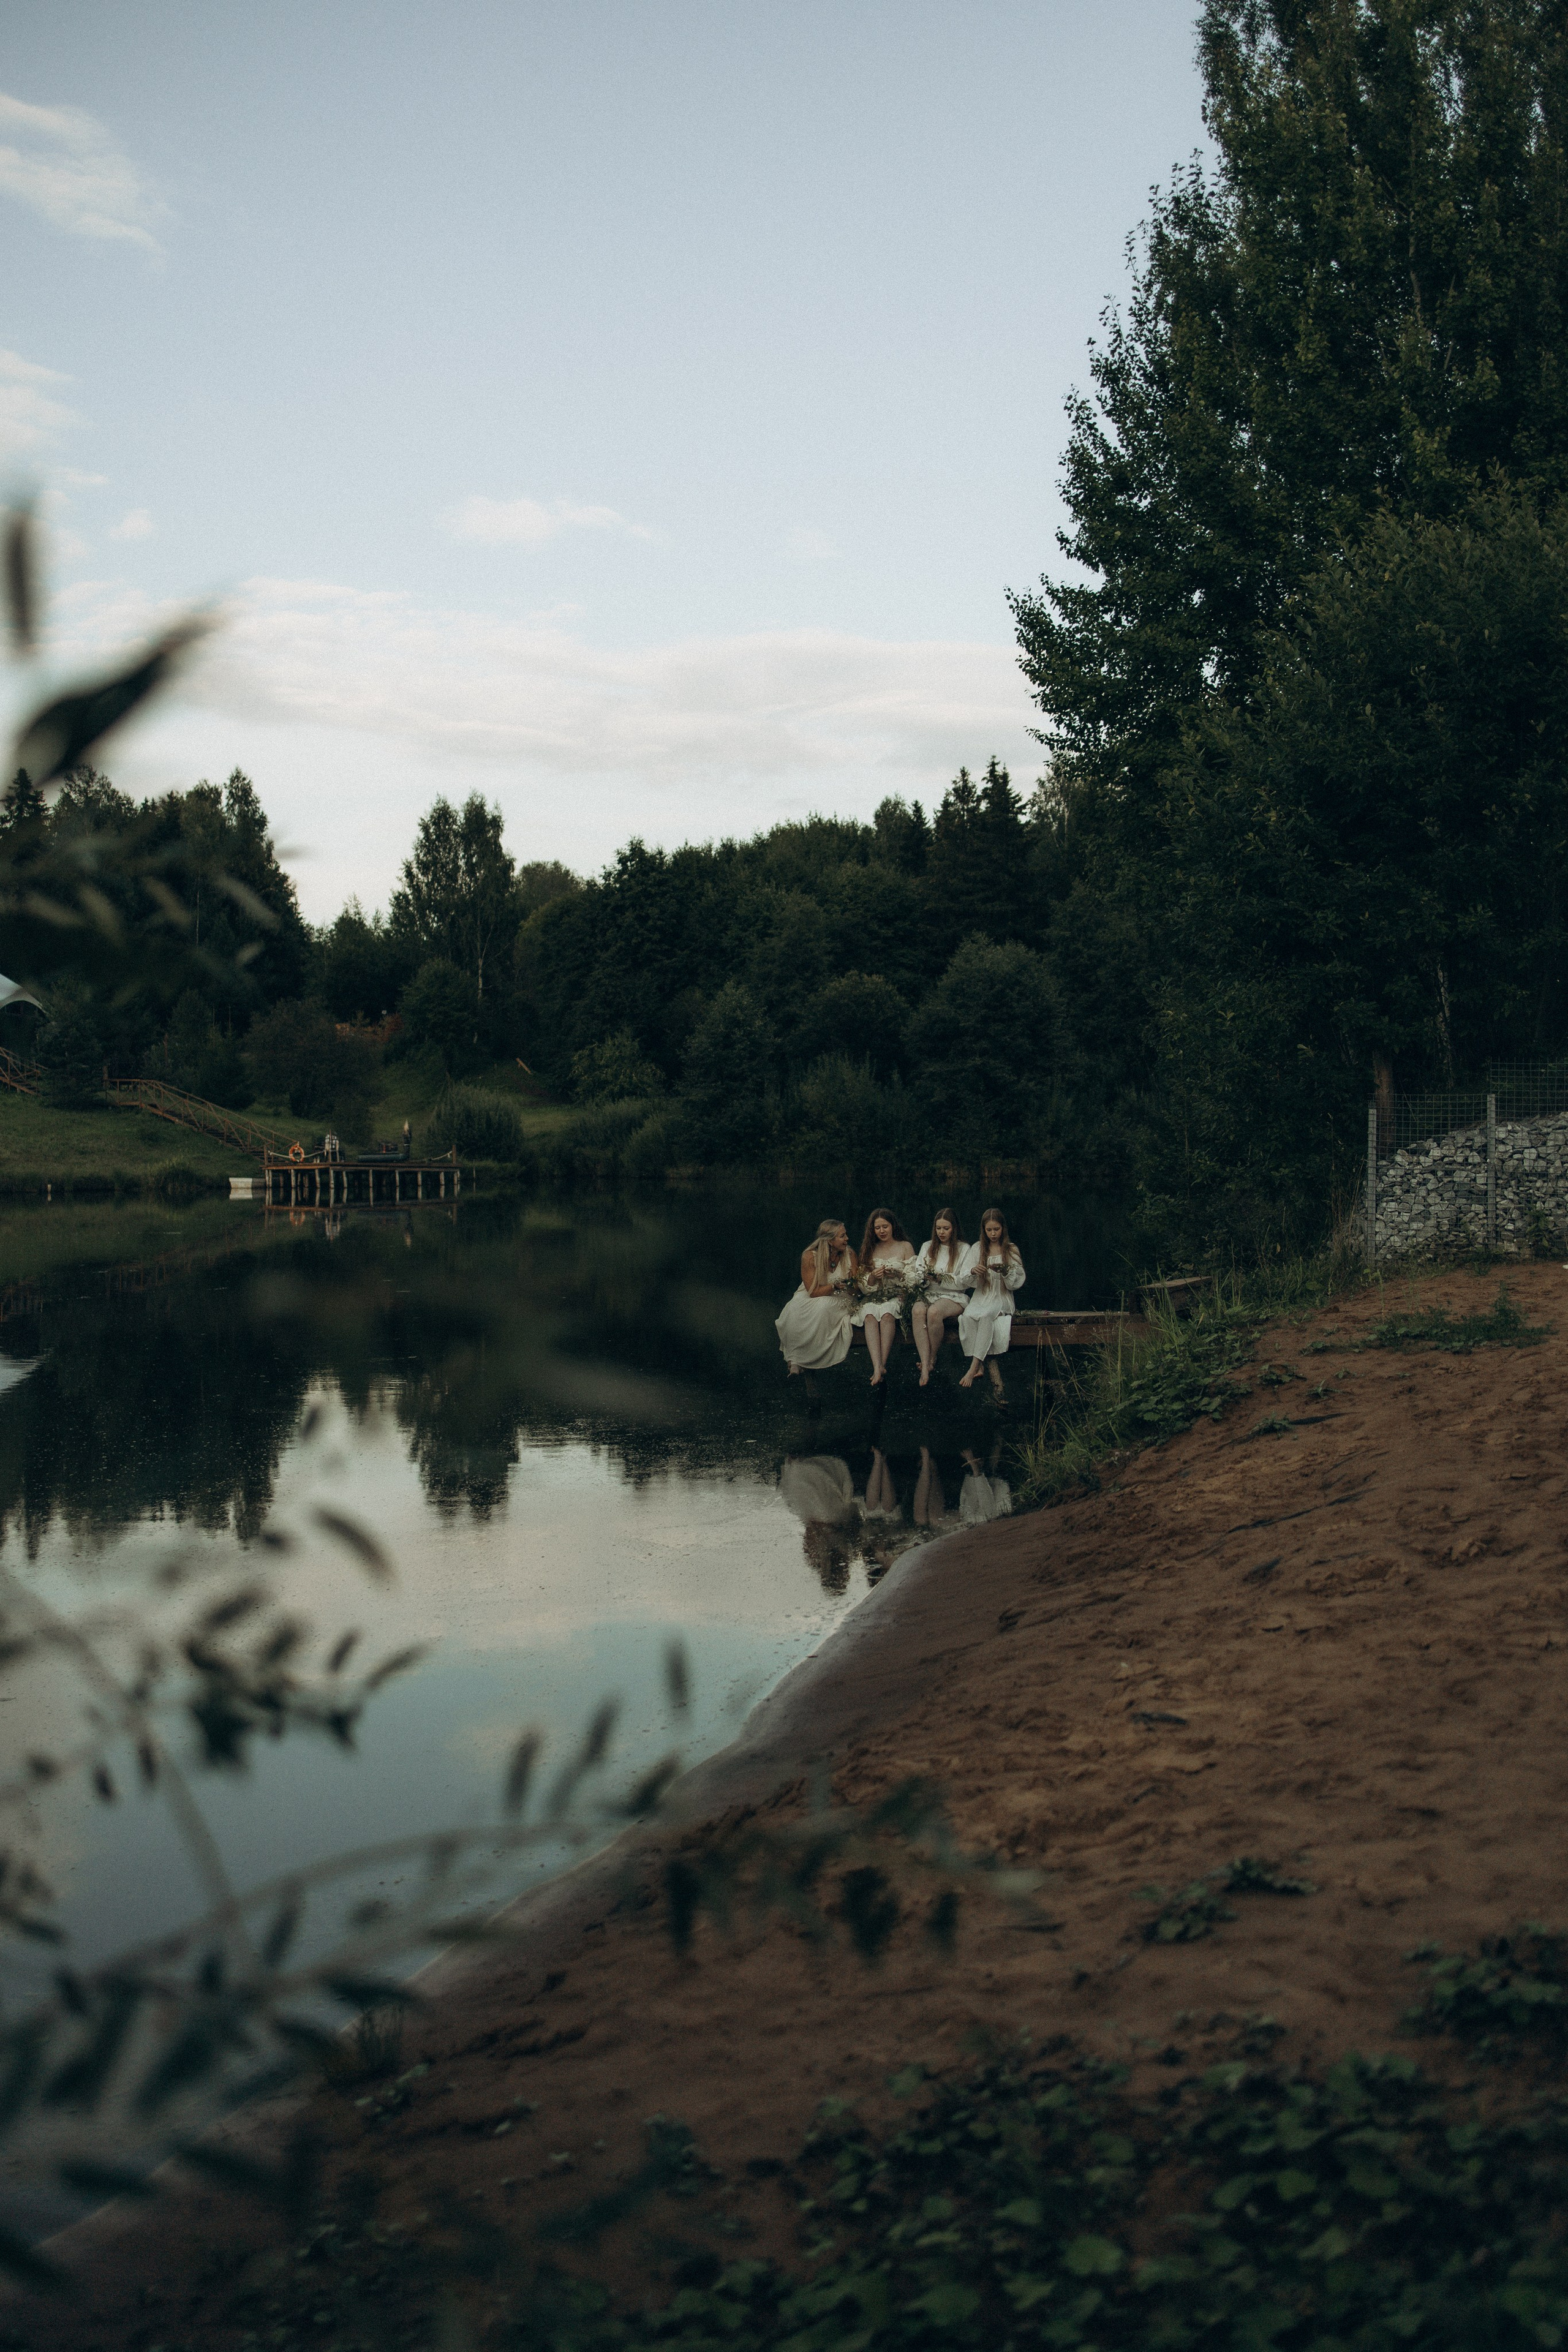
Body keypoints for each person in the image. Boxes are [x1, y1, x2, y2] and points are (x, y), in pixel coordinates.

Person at [957, 1206, 1025, 1397]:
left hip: (1001, 1296)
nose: (993, 1234)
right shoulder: (978, 1248)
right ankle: (978, 1365)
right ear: (984, 1230)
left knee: (987, 1316)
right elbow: (964, 1277)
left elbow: (1017, 1281)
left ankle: (974, 1367)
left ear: (1002, 1228)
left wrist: (1005, 1270)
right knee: (968, 1316)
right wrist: (973, 1271)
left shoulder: (1010, 1249)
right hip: (982, 1295)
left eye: (997, 1229)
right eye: (989, 1230)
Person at [775, 1218, 856, 1374]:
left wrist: (850, 1286)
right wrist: (833, 1286)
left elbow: (856, 1286)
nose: (847, 1239)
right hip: (813, 1293)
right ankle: (796, 1360)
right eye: (842, 1236)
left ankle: (812, 1359)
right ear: (830, 1241)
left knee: (823, 1307)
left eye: (846, 1235)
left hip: (841, 1297)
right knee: (793, 1309)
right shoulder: (810, 1256)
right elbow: (813, 1292)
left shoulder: (850, 1254)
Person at [852, 1207, 914, 1386]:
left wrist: (897, 1275)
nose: (882, 1231)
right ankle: (877, 1366)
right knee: (870, 1315)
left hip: (898, 1295)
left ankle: (882, 1364)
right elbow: (863, 1283)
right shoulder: (870, 1249)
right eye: (877, 1228)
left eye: (885, 1227)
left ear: (893, 1226)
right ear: (872, 1230)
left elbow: (913, 1276)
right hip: (874, 1296)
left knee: (887, 1314)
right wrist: (873, 1277)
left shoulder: (905, 1246)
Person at [908, 1206, 968, 1387]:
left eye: (946, 1228)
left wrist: (942, 1279)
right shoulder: (928, 1246)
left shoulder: (964, 1249)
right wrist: (924, 1279)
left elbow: (965, 1282)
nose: (941, 1232)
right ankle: (926, 1363)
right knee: (918, 1310)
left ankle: (931, 1359)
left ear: (954, 1228)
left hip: (954, 1296)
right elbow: (917, 1273)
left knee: (934, 1313)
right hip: (929, 1293)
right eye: (938, 1228)